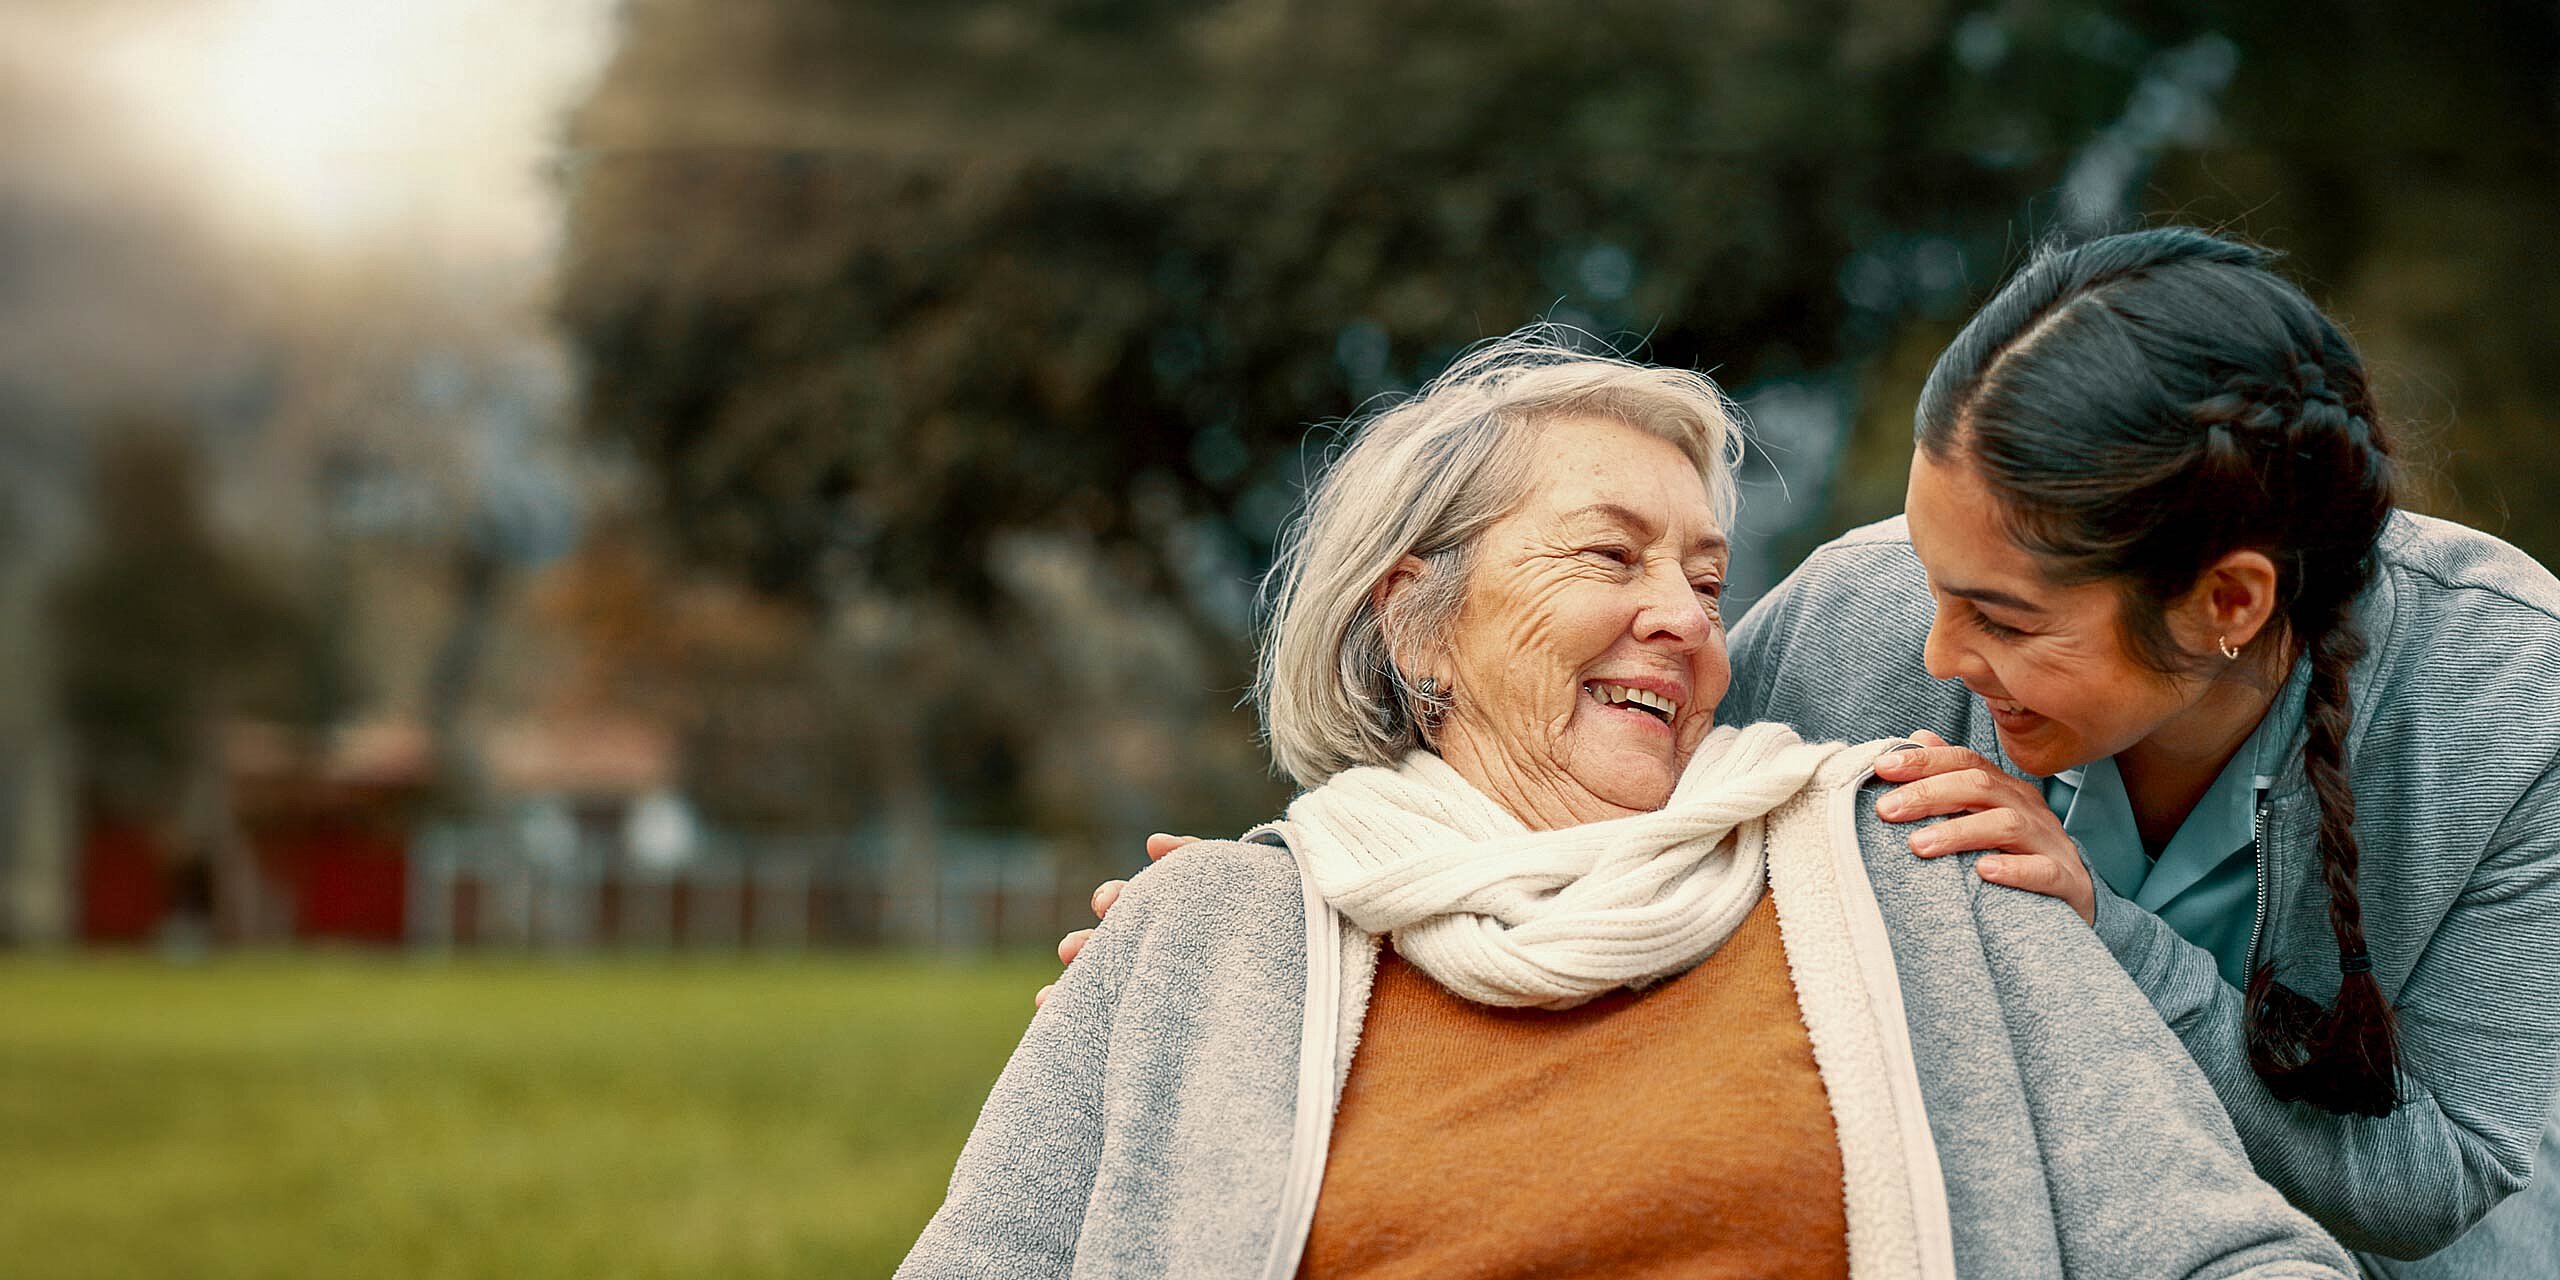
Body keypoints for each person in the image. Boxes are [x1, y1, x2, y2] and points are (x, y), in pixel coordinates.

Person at [910, 334, 2352, 1278]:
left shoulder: (1916, 864)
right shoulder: (1214, 937)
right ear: (1417, 624)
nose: (1682, 618)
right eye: (1610, 554)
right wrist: (1186, 950)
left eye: (1710, 580)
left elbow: (2225, 1256)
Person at [1727, 228, 2560, 1276]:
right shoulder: (1851, 613)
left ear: (2230, 601)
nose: (1938, 651)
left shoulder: (2510, 694)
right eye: (1931, 572)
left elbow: (2435, 1177)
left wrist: (2099, 931)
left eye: (2006, 619)